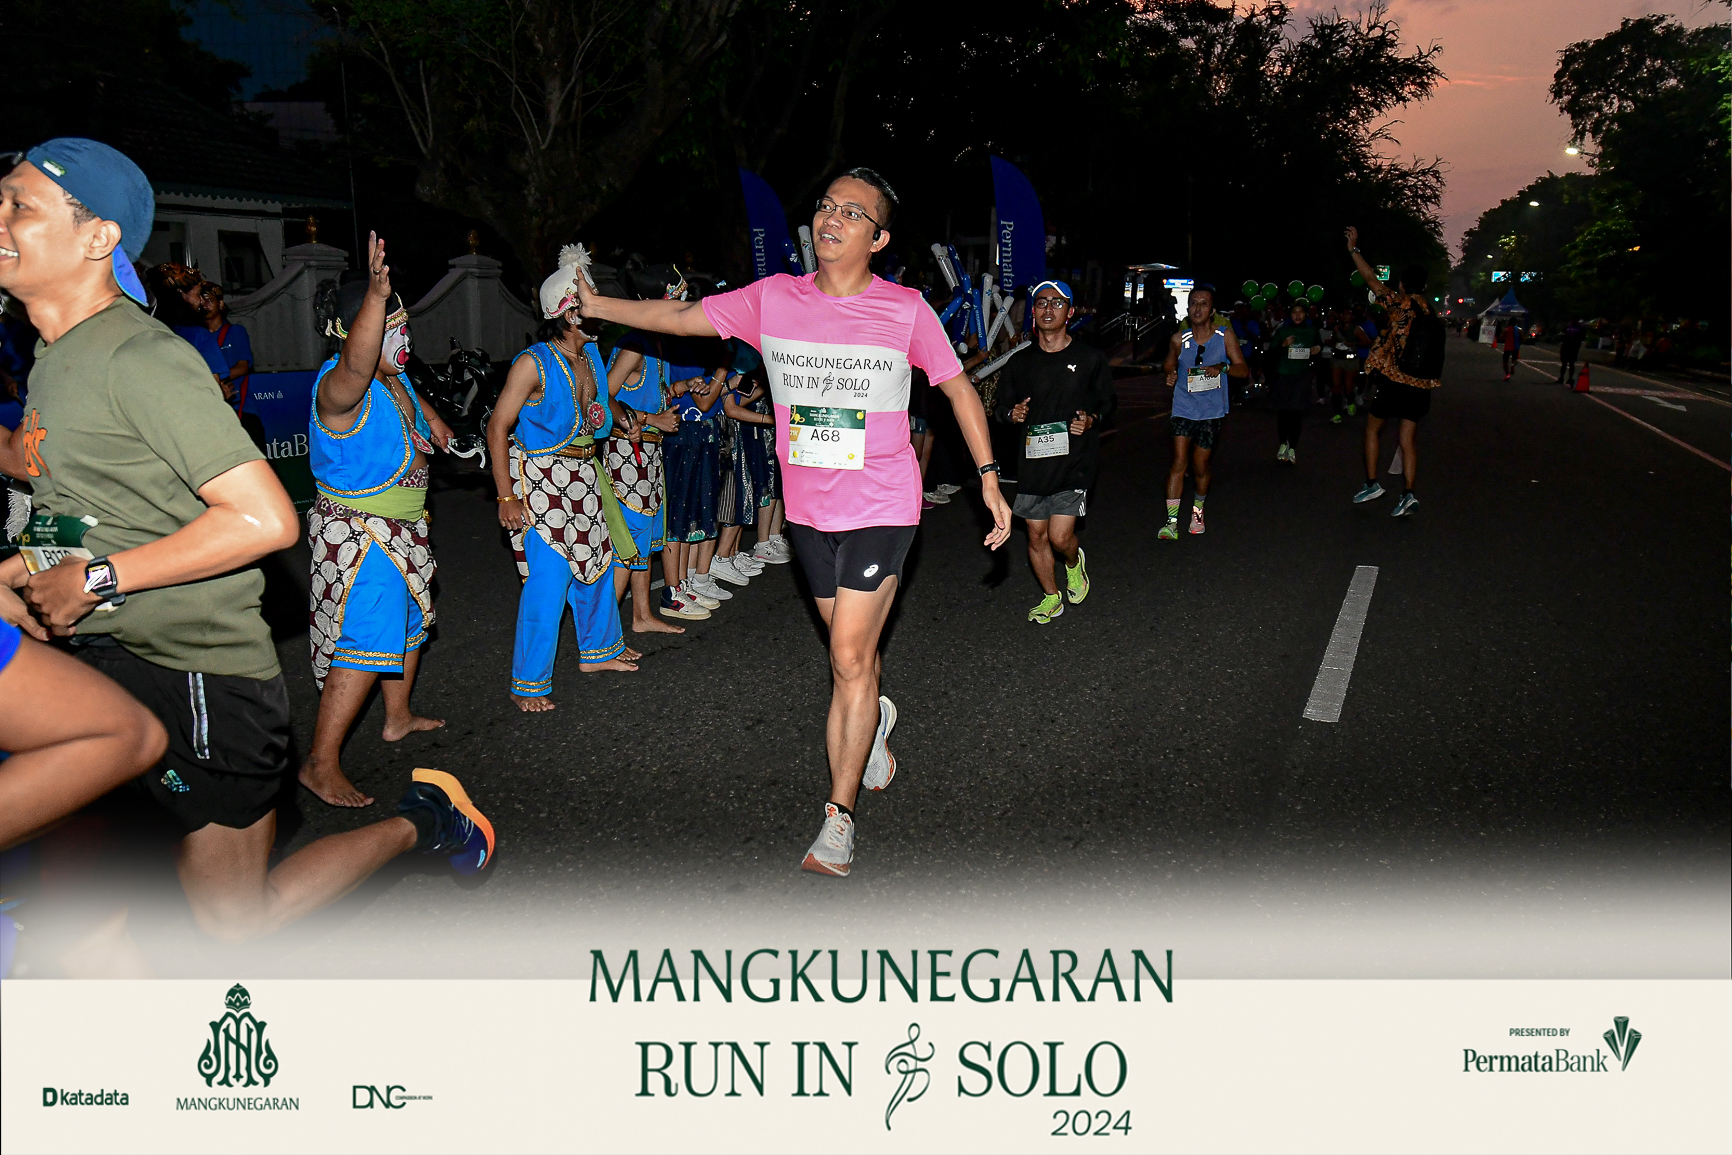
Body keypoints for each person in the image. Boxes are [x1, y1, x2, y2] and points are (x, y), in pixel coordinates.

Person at [0, 140, 493, 943]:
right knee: (102, 913)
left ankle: (425, 819)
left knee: (234, 922)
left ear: (97, 237)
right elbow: (88, 507)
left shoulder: (138, 357)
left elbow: (267, 519)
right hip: (101, 657)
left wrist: (94, 582)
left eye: (19, 204)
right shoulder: (56, 359)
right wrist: (21, 567)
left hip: (196, 677)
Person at [575, 166, 1012, 877]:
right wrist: (599, 304)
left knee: (847, 658)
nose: (832, 218)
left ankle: (838, 819)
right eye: (826, 206)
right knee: (852, 656)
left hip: (882, 505)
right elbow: (682, 319)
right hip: (809, 514)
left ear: (879, 239)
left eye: (853, 212)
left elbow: (959, 389)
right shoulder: (773, 298)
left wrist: (989, 477)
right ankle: (873, 718)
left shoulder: (905, 310)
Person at [303, 240, 456, 800]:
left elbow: (411, 398)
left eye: (404, 324)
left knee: (410, 624)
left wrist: (434, 424)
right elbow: (356, 363)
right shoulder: (338, 389)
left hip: (405, 530)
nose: (404, 338)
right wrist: (374, 295)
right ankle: (320, 763)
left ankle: (397, 717)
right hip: (363, 535)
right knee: (365, 640)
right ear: (357, 333)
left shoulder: (395, 378)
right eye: (392, 328)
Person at [488, 245, 641, 713]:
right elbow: (497, 426)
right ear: (569, 312)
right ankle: (528, 683)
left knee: (597, 567)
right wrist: (506, 496)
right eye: (590, 303)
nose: (600, 310)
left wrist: (622, 415)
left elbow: (597, 405)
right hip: (543, 480)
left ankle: (599, 651)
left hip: (586, 476)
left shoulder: (591, 354)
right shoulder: (532, 363)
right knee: (549, 582)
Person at [993, 279, 1113, 623]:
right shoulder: (1020, 362)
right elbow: (999, 407)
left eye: (1057, 303)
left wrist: (1091, 420)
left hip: (1075, 462)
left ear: (1070, 312)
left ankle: (1074, 562)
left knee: (1060, 538)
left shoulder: (1089, 358)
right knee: (1035, 534)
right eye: (1042, 303)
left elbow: (1108, 402)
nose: (1049, 309)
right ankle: (1051, 597)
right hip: (1033, 463)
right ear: (1033, 311)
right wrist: (1011, 414)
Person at [1344, 226, 1443, 517]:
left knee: (1372, 429)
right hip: (1421, 385)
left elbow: (1370, 279)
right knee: (1407, 438)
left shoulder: (1400, 305)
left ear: (1401, 284)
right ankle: (1408, 492)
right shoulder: (1430, 312)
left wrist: (1354, 250)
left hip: (1395, 381)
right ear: (1424, 286)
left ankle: (1372, 483)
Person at [604, 330, 695, 628]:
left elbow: (650, 392)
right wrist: (651, 420)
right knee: (629, 541)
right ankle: (604, 634)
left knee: (644, 539)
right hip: (627, 452)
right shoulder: (635, 347)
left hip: (649, 454)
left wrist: (681, 387)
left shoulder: (657, 345)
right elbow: (603, 396)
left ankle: (641, 616)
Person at [1159, 283, 1248, 539]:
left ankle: (1197, 513)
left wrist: (1223, 367)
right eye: (1193, 303)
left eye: (1203, 304)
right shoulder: (1179, 339)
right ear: (1188, 308)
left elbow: (1243, 370)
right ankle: (1171, 522)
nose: (1197, 308)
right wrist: (1170, 373)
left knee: (1200, 466)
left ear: (1212, 311)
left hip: (1211, 411)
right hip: (1183, 407)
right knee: (1178, 462)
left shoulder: (1224, 336)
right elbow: (1168, 363)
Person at [1270, 300, 1321, 464]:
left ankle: (1292, 447)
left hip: (1302, 376)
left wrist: (1317, 349)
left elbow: (1318, 345)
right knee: (1283, 412)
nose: (1297, 315)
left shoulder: (1311, 330)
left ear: (1306, 314)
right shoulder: (1283, 330)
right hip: (1284, 375)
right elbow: (1271, 351)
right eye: (1294, 312)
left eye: (1301, 312)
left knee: (1297, 412)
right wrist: (1283, 345)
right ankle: (1282, 444)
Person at [1556, 319, 1586, 386]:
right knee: (1564, 363)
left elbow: (1583, 337)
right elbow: (1562, 333)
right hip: (1566, 346)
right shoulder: (1568, 326)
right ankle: (1561, 377)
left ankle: (1570, 378)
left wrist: (1575, 339)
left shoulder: (1580, 328)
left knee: (1571, 363)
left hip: (1574, 347)